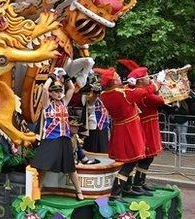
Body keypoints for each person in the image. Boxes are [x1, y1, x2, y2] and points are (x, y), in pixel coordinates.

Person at [31, 72, 85, 200]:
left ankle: (79, 191)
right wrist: (52, 77)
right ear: (50, 93)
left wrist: (66, 75)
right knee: (44, 166)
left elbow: (71, 88)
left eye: (60, 91)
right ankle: (38, 190)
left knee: (70, 167)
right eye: (55, 91)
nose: (59, 93)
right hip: (51, 138)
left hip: (64, 138)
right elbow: (44, 88)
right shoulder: (47, 105)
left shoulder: (64, 103)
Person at [97, 68, 149, 197]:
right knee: (131, 161)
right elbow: (145, 91)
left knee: (129, 160)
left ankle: (127, 188)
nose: (121, 77)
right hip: (130, 129)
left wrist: (130, 85)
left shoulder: (105, 94)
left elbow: (125, 92)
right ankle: (117, 191)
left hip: (121, 128)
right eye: (118, 77)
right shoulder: (122, 93)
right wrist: (157, 83)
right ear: (114, 82)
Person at [121, 60, 165, 193]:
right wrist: (157, 83)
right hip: (146, 127)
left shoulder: (141, 90)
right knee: (146, 157)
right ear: (139, 81)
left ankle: (139, 182)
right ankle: (136, 184)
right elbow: (161, 100)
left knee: (147, 157)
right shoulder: (142, 93)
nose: (149, 78)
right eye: (146, 77)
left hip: (147, 124)